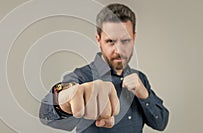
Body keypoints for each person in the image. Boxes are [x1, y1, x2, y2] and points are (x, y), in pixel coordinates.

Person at [39, 3, 169, 133]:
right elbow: (46, 115)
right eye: (110, 41)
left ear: (134, 38)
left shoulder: (140, 78)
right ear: (98, 39)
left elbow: (161, 123)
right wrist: (65, 102)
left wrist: (144, 95)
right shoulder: (82, 77)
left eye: (125, 41)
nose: (118, 50)